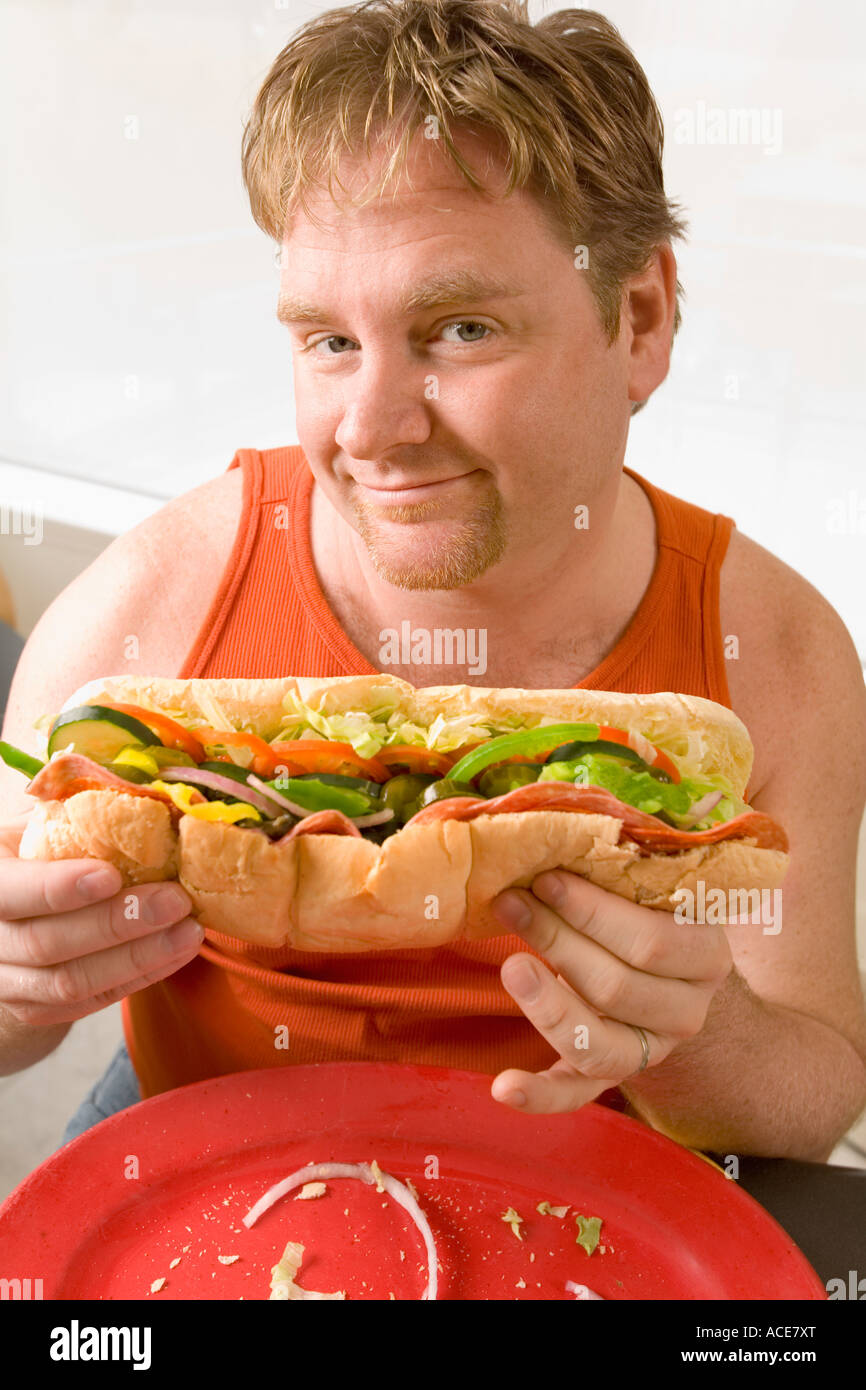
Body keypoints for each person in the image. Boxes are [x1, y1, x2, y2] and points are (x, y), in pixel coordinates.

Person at [1, 0, 864, 1161]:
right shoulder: (141, 616)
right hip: (202, 1155)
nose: (371, 429)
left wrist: (701, 1034)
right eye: (328, 341)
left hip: (591, 1188)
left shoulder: (775, 652)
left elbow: (813, 1102)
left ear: (640, 319)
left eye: (459, 328)